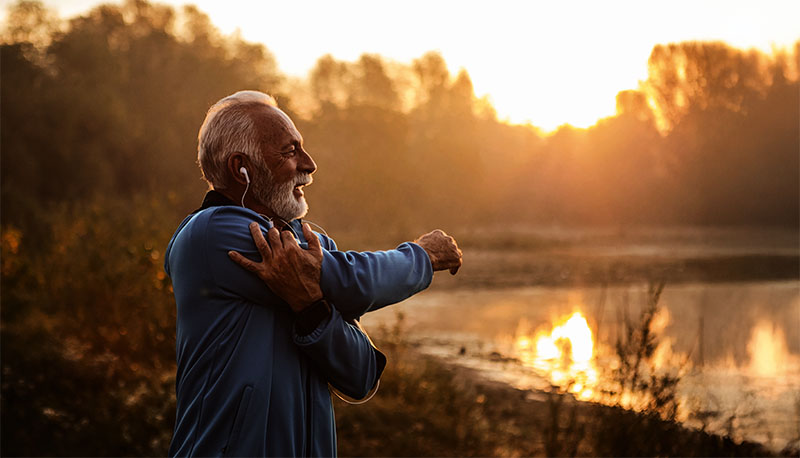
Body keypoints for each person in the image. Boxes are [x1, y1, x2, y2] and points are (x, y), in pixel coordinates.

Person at [165, 90, 462, 457]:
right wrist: (422, 257)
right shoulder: (211, 234)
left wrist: (310, 308)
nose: (310, 163)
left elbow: (362, 374)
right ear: (241, 167)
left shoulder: (305, 243)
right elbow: (348, 280)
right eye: (289, 152)